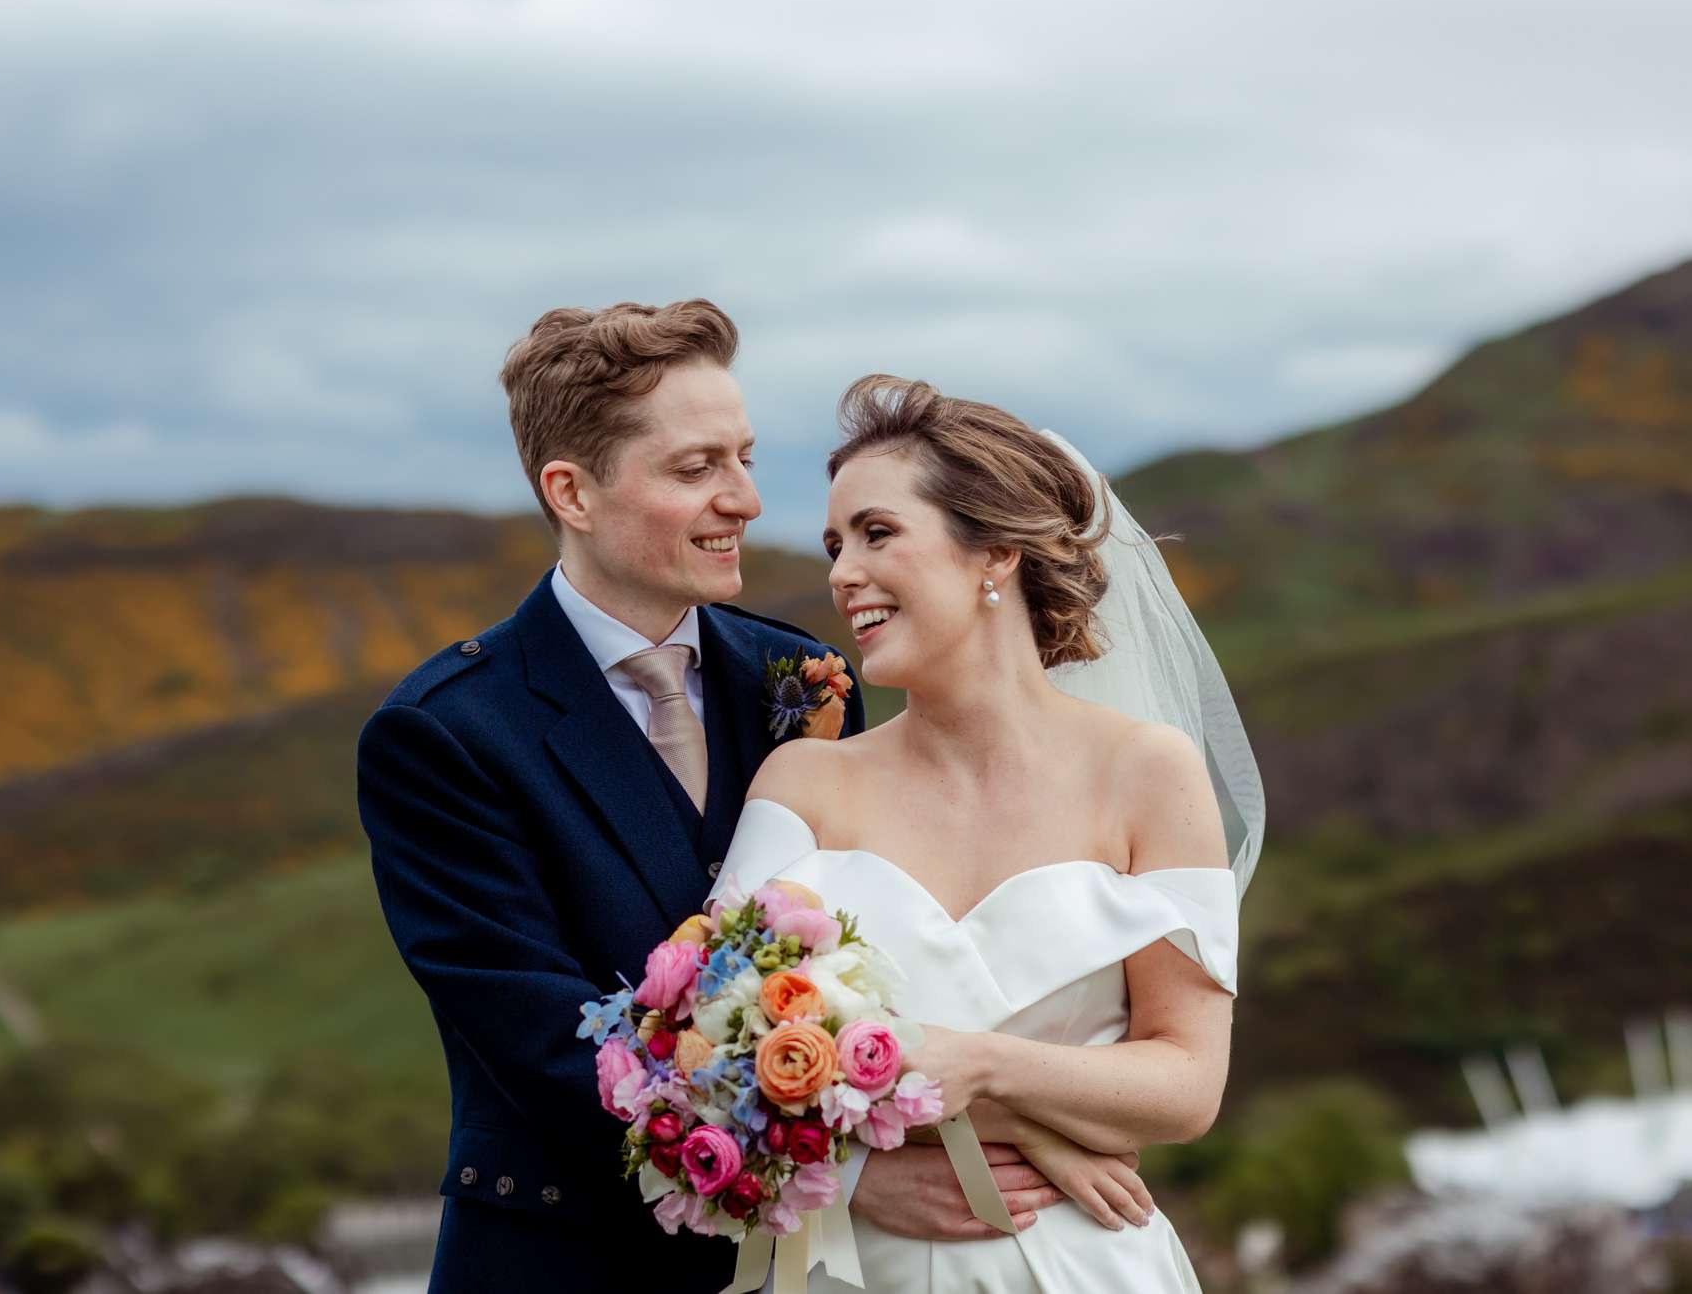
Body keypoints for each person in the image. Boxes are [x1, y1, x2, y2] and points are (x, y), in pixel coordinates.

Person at [357, 307, 1139, 1291]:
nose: (746, 501)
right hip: (572, 1260)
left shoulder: (797, 675)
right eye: (696, 470)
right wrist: (837, 1171)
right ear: (572, 492)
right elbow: (544, 1040)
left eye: (745, 457)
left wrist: (1009, 1127)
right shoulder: (447, 731)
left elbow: (881, 967)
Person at [716, 374, 1266, 1291]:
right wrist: (863, 1174)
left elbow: (1186, 1084)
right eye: (833, 544)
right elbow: (709, 1049)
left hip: (1079, 1259)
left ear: (995, 555)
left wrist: (983, 1070)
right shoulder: (804, 782)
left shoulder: (1147, 771)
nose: (842, 571)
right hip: (855, 1265)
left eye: (877, 532)